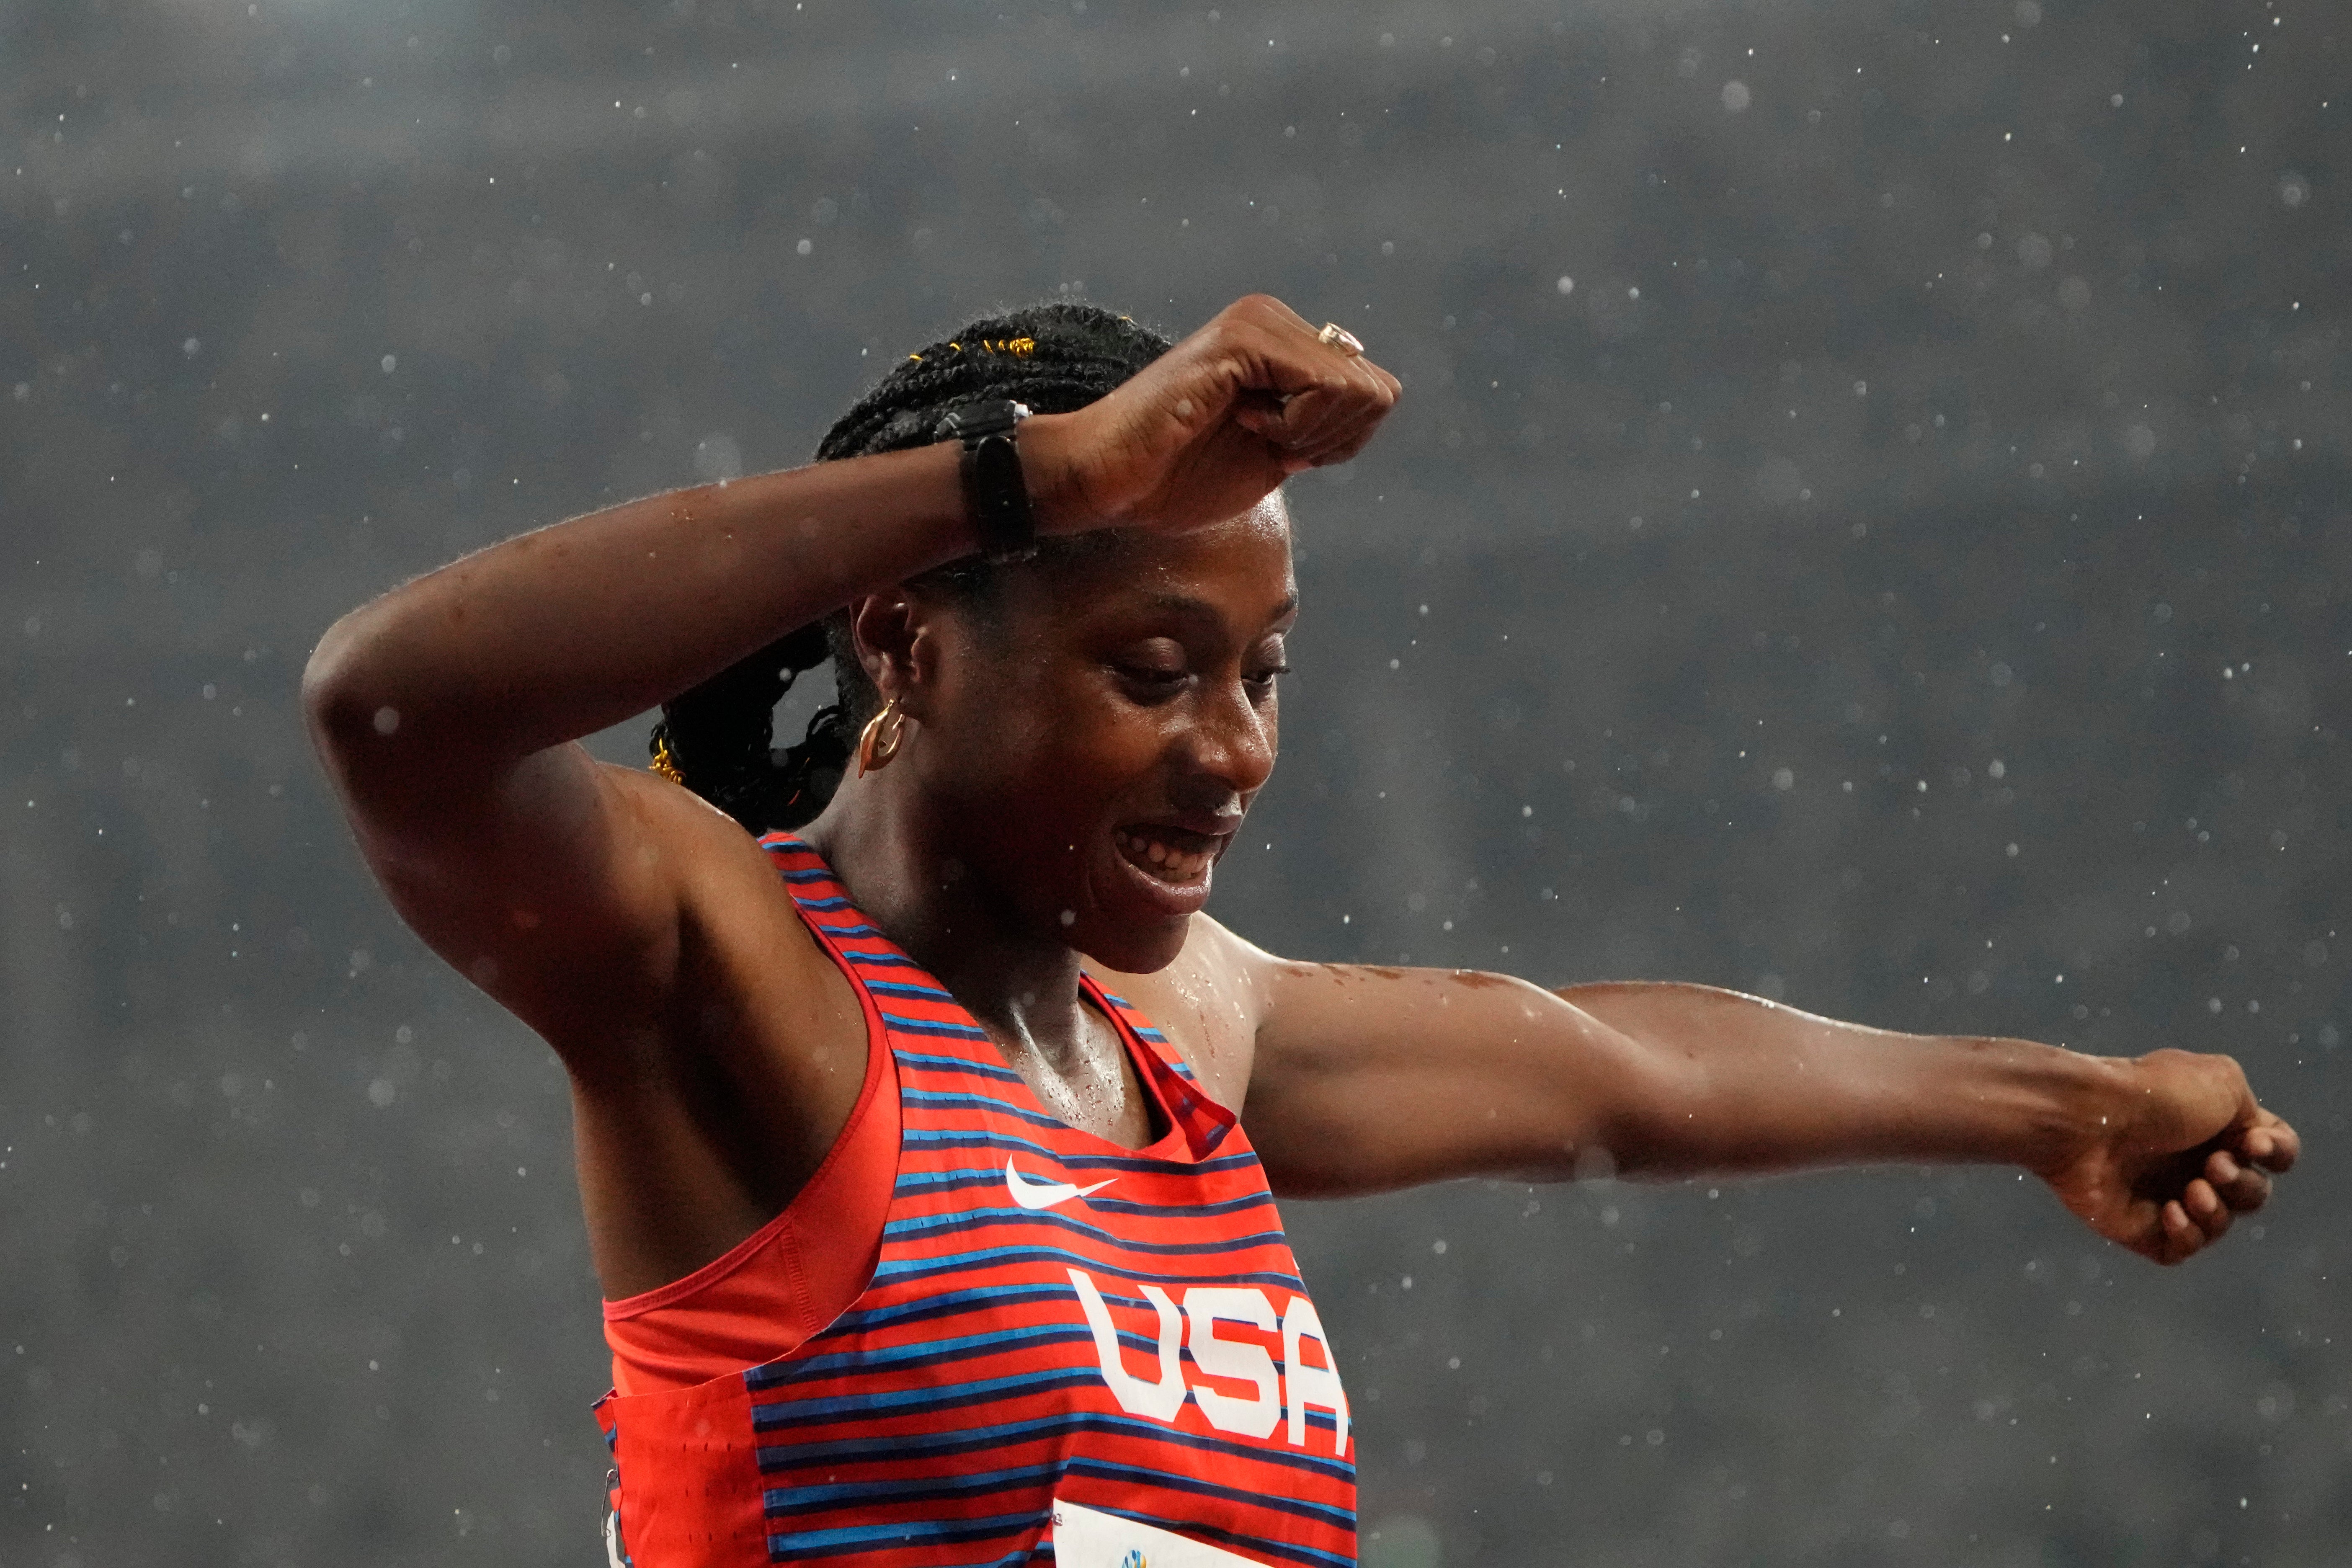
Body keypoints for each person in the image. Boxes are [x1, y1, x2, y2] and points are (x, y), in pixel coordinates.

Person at [302, 294, 2298, 1568]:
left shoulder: (1192, 1037)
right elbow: (389, 703)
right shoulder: (741, 978)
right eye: (1156, 668)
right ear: (911, 641)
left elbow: (1623, 1069)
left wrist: (2069, 1105)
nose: (1235, 751)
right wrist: (1031, 478)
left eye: (1265, 670)